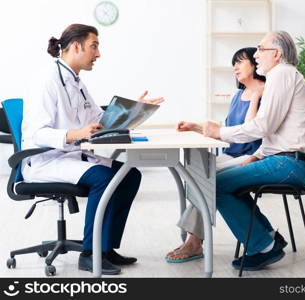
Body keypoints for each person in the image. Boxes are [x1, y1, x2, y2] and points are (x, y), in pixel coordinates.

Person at [21, 24, 163, 275]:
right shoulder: (46, 80)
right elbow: (36, 133)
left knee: (130, 175)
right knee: (105, 178)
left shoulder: (76, 82)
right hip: (45, 160)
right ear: (76, 46)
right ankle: (90, 254)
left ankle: (106, 248)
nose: (98, 54)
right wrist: (76, 133)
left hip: (71, 157)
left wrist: (135, 108)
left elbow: (100, 118)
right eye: (94, 46)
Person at [201, 31, 305, 271]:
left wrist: (219, 133)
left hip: (289, 165)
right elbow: (273, 131)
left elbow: (262, 126)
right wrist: (257, 155)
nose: (255, 55)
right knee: (219, 182)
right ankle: (267, 238)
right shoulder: (285, 76)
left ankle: (263, 245)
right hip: (288, 161)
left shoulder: (281, 74)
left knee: (213, 185)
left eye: (260, 49)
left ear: (276, 54)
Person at [165, 47, 266, 263]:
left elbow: (250, 130)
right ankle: (194, 240)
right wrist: (195, 127)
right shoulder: (238, 95)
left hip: (252, 156)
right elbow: (228, 130)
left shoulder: (266, 92)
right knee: (198, 174)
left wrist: (257, 96)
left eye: (240, 62)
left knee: (205, 181)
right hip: (231, 153)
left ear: (256, 64)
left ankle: (194, 241)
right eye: (233, 64)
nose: (235, 67)